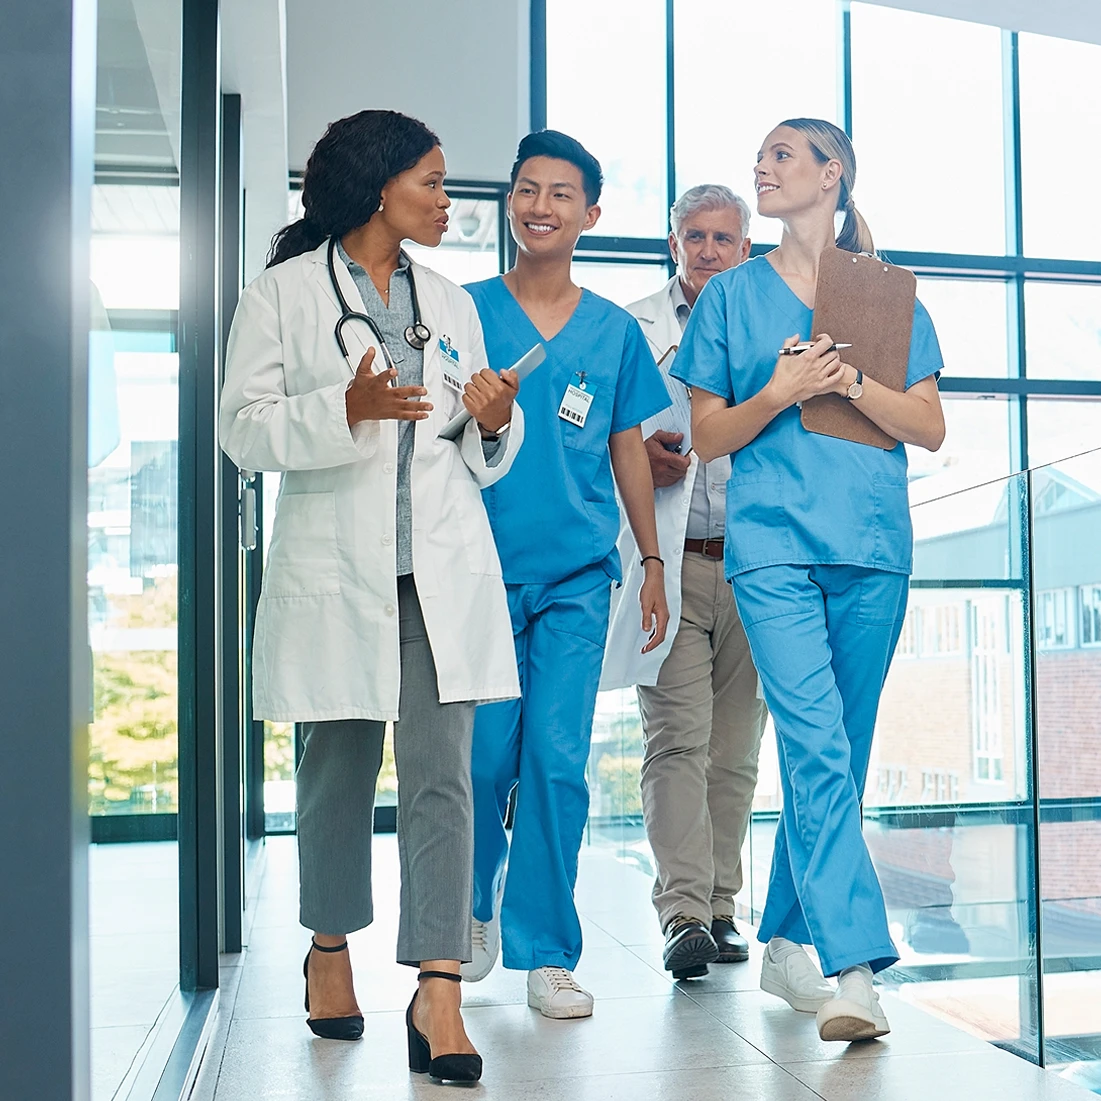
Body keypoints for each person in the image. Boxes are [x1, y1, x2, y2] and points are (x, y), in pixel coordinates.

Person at [219, 110, 526, 1083]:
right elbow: (242, 430)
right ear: (377, 185)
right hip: (334, 576)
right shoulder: (279, 297)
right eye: (432, 182)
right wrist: (340, 408)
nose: (447, 200)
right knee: (337, 781)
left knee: (445, 782)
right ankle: (329, 950)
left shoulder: (453, 304)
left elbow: (478, 457)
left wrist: (492, 421)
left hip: (438, 578)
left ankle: (439, 987)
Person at [671, 118, 945, 1042]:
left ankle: (786, 931)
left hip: (872, 544)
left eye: (782, 154)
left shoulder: (886, 291)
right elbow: (708, 436)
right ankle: (854, 967)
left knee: (842, 755)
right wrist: (780, 394)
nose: (763, 165)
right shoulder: (729, 298)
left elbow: (927, 424)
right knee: (816, 747)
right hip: (772, 547)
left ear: (832, 174)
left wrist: (851, 384)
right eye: (762, 156)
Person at [460, 130, 672, 1019]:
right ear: (509, 201)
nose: (538, 205)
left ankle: (546, 950)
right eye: (525, 190)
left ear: (590, 213)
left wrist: (652, 558)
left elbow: (628, 447)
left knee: (555, 759)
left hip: (579, 578)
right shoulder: (463, 308)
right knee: (477, 760)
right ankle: (470, 914)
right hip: (473, 571)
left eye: (558, 193)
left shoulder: (614, 331)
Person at [602, 185, 767, 980]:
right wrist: (637, 455)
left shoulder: (774, 324)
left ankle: (723, 907)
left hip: (753, 565)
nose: (707, 250)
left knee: (735, 751)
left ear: (746, 246)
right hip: (668, 561)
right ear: (672, 242)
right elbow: (602, 438)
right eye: (693, 236)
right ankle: (682, 915)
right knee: (677, 739)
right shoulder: (631, 327)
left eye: (723, 238)